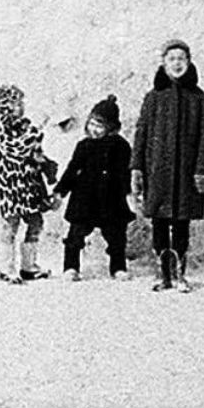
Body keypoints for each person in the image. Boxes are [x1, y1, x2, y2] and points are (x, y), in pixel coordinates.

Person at [132, 39, 204, 293]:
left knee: (181, 221)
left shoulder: (199, 99)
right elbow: (141, 133)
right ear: (163, 63)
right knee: (159, 220)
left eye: (181, 59)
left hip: (186, 172)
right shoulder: (154, 98)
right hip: (157, 170)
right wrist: (137, 167)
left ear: (188, 63)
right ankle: (162, 274)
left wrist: (201, 169)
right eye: (172, 59)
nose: (177, 63)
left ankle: (179, 274)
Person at [54, 94, 134, 281]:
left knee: (116, 237)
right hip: (85, 198)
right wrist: (60, 191)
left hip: (112, 198)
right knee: (75, 235)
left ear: (111, 128)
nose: (94, 130)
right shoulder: (84, 146)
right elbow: (72, 170)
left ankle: (118, 267)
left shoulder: (121, 147)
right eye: (92, 124)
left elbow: (125, 173)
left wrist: (129, 194)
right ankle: (71, 267)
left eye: (100, 126)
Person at [0, 83, 57, 284]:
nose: (22, 107)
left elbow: (34, 150)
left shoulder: (25, 126)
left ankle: (29, 266)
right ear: (6, 106)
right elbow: (16, 149)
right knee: (11, 225)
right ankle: (7, 268)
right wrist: (36, 133)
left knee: (36, 222)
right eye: (17, 103)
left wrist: (43, 162)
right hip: (10, 186)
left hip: (29, 184)